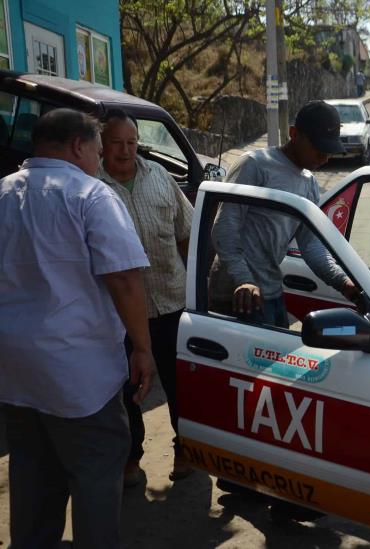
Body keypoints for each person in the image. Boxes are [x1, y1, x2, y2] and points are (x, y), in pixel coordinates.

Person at [0, 108, 154, 549]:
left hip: (15, 370)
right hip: (78, 374)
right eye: (98, 150)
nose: (101, 158)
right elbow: (124, 278)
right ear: (78, 146)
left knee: (31, 470)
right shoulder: (92, 195)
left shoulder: (3, 194)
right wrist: (142, 348)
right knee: (95, 472)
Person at [97, 108, 195, 486]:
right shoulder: (93, 187)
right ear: (101, 146)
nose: (124, 151)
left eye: (131, 143)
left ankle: (186, 448)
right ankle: (131, 458)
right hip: (117, 311)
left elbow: (186, 231)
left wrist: (193, 289)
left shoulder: (161, 178)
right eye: (116, 144)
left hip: (171, 301)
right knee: (127, 390)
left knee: (179, 384)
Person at [209, 100, 359, 322]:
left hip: (271, 294)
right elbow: (224, 229)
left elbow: (311, 245)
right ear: (294, 133)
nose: (324, 158)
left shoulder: (309, 184)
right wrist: (244, 280)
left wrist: (343, 283)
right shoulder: (254, 165)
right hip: (238, 297)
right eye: (318, 148)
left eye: (329, 150)